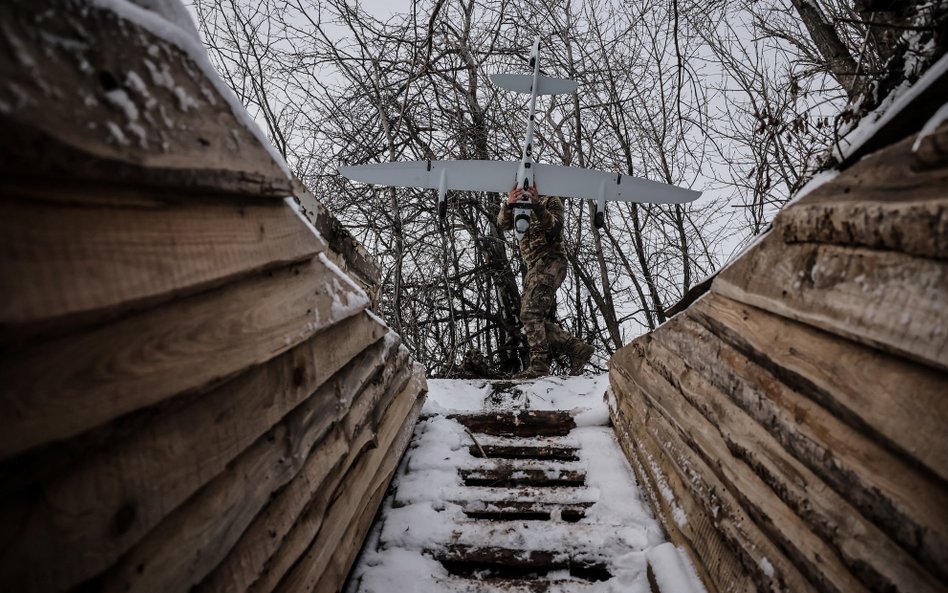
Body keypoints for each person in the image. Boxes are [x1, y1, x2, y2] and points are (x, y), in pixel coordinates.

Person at [498, 184, 594, 379]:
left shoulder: (551, 200)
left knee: (530, 313)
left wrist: (537, 206)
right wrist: (508, 204)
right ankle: (577, 348)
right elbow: (503, 224)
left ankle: (540, 366)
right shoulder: (519, 204)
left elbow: (555, 228)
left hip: (552, 260)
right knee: (531, 318)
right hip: (534, 266)